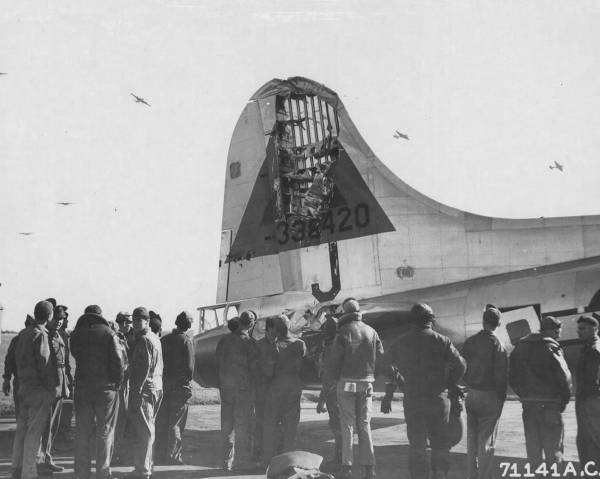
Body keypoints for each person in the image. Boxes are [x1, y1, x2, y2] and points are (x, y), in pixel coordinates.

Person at [381, 303, 466, 479]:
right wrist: (450, 383)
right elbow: (461, 365)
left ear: (413, 321)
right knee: (440, 444)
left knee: (417, 445)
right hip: (438, 400)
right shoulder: (442, 340)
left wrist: (399, 379)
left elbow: (382, 364)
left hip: (413, 400)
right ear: (431, 320)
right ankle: (440, 475)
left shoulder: (402, 341)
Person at [321, 298, 383, 479]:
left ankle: (346, 467)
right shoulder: (372, 332)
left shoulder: (342, 332)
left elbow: (334, 363)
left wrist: (329, 387)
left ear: (346, 313)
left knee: (347, 425)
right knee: (364, 425)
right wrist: (372, 377)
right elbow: (381, 357)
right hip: (367, 383)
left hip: (346, 383)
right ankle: (369, 468)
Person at [70, 304, 125, 479]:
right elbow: (118, 361)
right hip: (106, 390)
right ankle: (103, 473)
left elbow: (75, 354)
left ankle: (81, 473)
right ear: (100, 316)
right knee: (105, 431)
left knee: (82, 432)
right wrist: (117, 383)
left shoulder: (76, 334)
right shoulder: (109, 334)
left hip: (82, 388)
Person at [509, 316, 571, 469]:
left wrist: (524, 395)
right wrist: (563, 401)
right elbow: (565, 377)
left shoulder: (520, 346)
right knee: (554, 452)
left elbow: (512, 377)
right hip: (550, 407)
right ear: (549, 330)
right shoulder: (552, 346)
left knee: (533, 453)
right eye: (557, 332)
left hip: (529, 407)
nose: (558, 336)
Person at [11, 300, 58, 479]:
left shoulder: (24, 333)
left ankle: (16, 468)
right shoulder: (41, 335)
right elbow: (44, 364)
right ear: (49, 315)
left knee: (21, 430)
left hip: (23, 387)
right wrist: (51, 388)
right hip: (37, 391)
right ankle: (29, 472)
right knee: (34, 433)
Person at [461, 305, 508, 479]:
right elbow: (501, 375)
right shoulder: (498, 344)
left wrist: (469, 383)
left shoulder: (470, 341)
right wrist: (501, 397)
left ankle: (471, 475)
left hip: (472, 394)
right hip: (490, 396)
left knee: (472, 440)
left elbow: (461, 366)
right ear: (498, 324)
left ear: (483, 321)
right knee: (486, 441)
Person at [216, 310, 259, 472]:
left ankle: (224, 461)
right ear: (252, 323)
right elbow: (255, 370)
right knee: (243, 426)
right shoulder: (250, 343)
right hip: (243, 391)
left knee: (226, 426)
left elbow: (217, 362)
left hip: (226, 389)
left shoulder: (224, 340)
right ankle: (241, 462)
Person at [262, 314, 307, 465]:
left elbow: (268, 371)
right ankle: (288, 459)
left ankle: (269, 459)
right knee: (291, 424)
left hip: (277, 385)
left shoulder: (274, 346)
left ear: (275, 329)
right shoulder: (300, 344)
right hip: (294, 384)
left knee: (271, 422)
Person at [126, 306, 163, 479]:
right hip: (155, 387)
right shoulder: (154, 338)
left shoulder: (144, 340)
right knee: (148, 429)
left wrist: (136, 390)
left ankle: (143, 469)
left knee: (144, 431)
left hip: (145, 389)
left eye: (138, 320)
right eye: (133, 320)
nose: (134, 323)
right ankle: (145, 466)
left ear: (146, 321)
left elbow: (142, 368)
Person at [155, 311, 195, 465]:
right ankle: (173, 456)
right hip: (180, 387)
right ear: (189, 325)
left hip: (165, 384)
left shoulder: (164, 340)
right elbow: (190, 368)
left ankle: (159, 454)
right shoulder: (186, 341)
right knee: (176, 423)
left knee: (162, 421)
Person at [38, 304, 71, 474]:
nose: (59, 321)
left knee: (53, 426)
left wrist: (66, 384)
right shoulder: (46, 336)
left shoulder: (59, 335)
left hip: (59, 386)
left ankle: (47, 457)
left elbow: (64, 364)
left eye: (62, 319)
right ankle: (40, 461)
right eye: (57, 318)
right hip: (50, 387)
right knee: (45, 425)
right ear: (50, 318)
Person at [316, 314, 342, 467]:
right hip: (340, 391)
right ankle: (342, 459)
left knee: (337, 427)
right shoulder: (340, 344)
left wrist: (322, 400)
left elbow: (330, 377)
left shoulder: (332, 348)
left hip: (334, 394)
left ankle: (340, 460)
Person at [574, 315, 600, 465]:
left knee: (589, 441)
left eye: (582, 329)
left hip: (589, 401)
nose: (579, 332)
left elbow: (591, 382)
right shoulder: (591, 347)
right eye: (578, 329)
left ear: (595, 329)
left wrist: (583, 400)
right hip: (591, 401)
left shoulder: (593, 350)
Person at [253, 316, 277, 461]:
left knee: (274, 421)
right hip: (262, 388)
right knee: (260, 420)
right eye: (276, 327)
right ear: (269, 328)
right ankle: (258, 451)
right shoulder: (259, 345)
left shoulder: (280, 344)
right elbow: (255, 367)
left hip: (276, 389)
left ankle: (271, 451)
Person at [2, 315, 34, 417]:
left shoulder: (17, 339)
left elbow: (9, 361)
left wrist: (7, 379)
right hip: (30, 383)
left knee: (22, 417)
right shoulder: (40, 338)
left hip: (21, 383)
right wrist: (6, 379)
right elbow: (9, 360)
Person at [113, 311, 133, 465]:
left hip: (130, 384)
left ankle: (122, 451)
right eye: (122, 322)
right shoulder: (115, 338)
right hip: (120, 384)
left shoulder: (133, 338)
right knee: (119, 418)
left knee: (126, 419)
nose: (126, 325)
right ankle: (116, 452)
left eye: (128, 322)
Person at [56, 305, 75, 443]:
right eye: (64, 319)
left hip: (65, 372)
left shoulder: (63, 334)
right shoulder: (60, 335)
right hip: (62, 373)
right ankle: (63, 433)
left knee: (65, 405)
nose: (66, 322)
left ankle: (62, 432)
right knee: (65, 406)